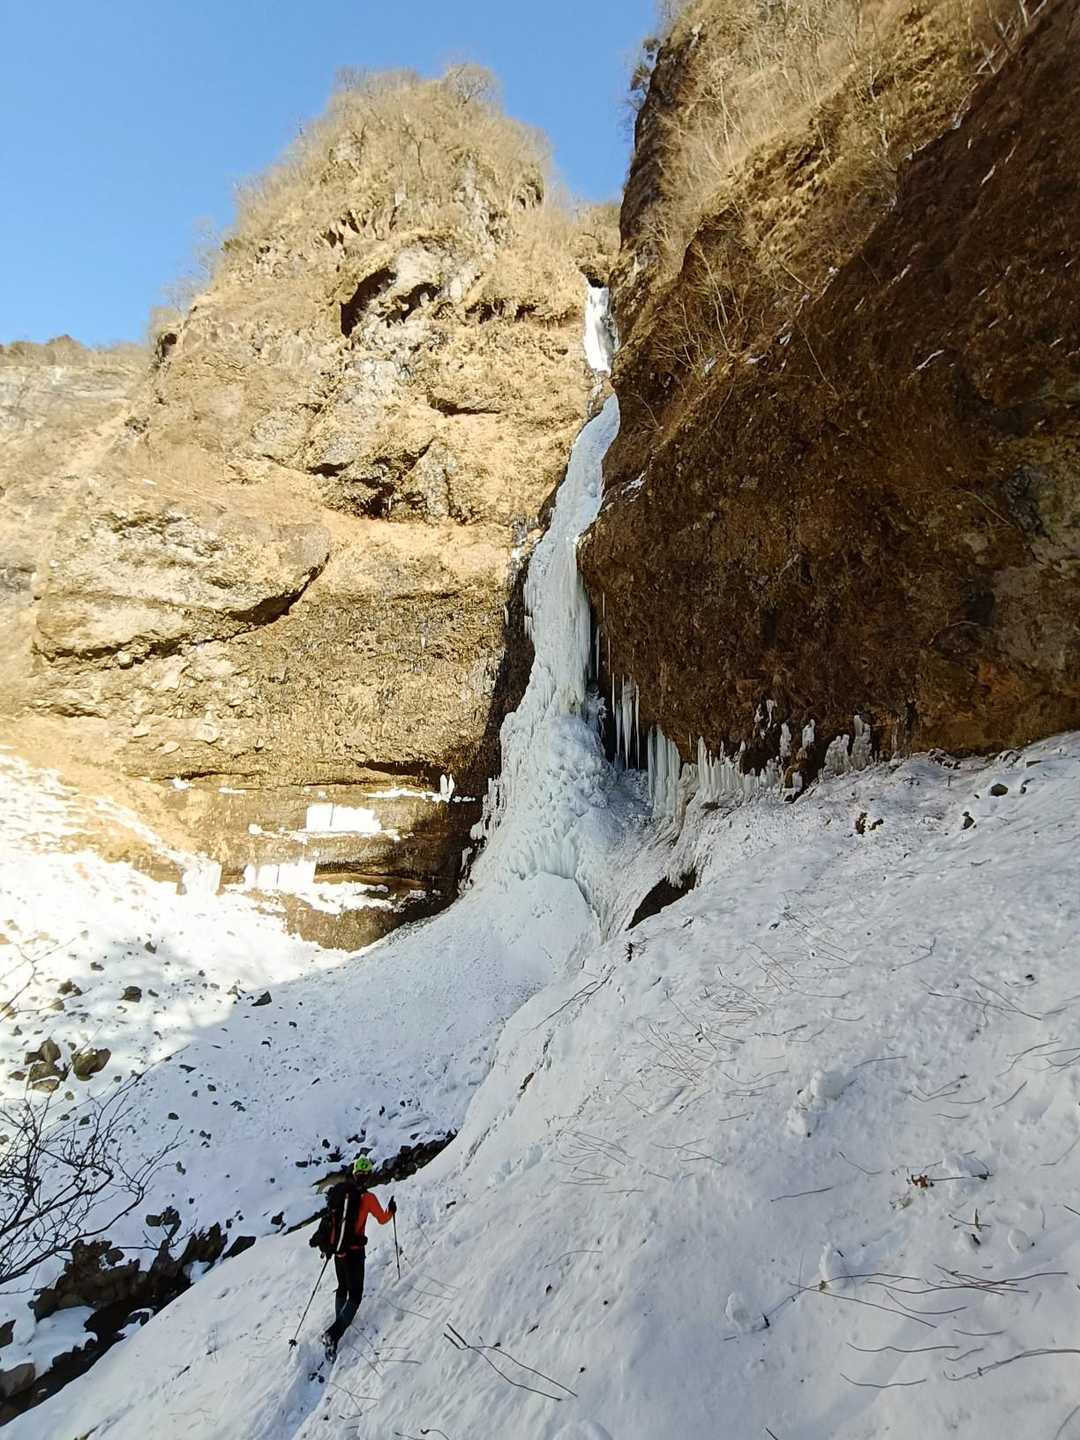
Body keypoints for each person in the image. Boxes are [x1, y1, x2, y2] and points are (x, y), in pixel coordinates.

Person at [309, 1155, 396, 1360]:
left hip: (339, 1250)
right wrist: (391, 1210)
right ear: (368, 1176)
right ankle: (334, 1333)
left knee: (342, 1287)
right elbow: (382, 1219)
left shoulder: (341, 1194)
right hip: (355, 1252)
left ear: (354, 1173)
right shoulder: (368, 1198)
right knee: (355, 1295)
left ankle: (340, 1321)